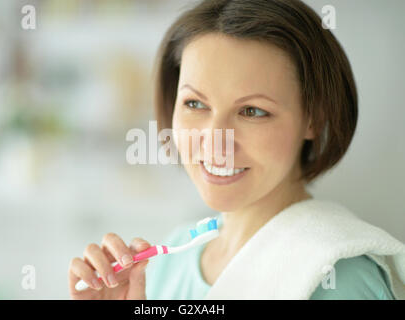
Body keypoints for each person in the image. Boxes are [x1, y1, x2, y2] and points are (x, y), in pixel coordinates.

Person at [68, 0, 400, 300]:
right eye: (195, 103)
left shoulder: (338, 280)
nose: (215, 142)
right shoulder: (167, 260)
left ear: (313, 119)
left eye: (252, 111)